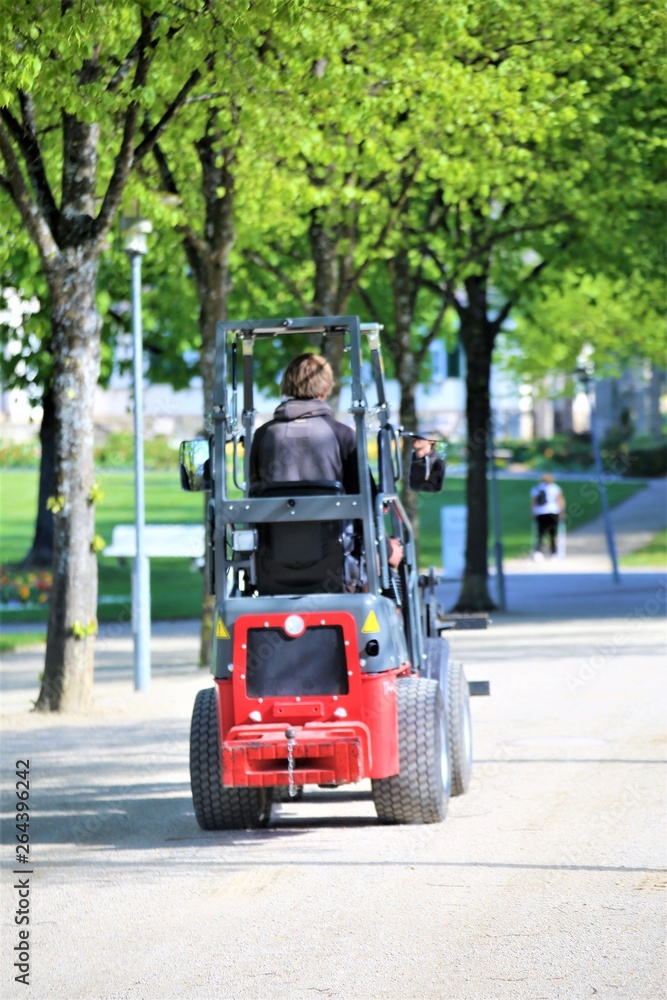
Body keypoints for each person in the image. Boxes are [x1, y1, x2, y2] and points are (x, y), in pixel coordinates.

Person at [249, 352, 403, 568]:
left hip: (272, 558)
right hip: (336, 558)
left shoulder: (263, 435)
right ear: (327, 387)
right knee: (387, 568)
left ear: (286, 384)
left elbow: (254, 495)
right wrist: (387, 550)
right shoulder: (343, 435)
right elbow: (367, 506)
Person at [530, 472, 565, 559]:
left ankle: (538, 552)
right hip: (553, 512)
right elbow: (560, 500)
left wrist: (533, 513)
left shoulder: (537, 488)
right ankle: (553, 553)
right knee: (552, 534)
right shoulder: (555, 488)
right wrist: (561, 512)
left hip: (540, 513)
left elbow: (534, 502)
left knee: (540, 534)